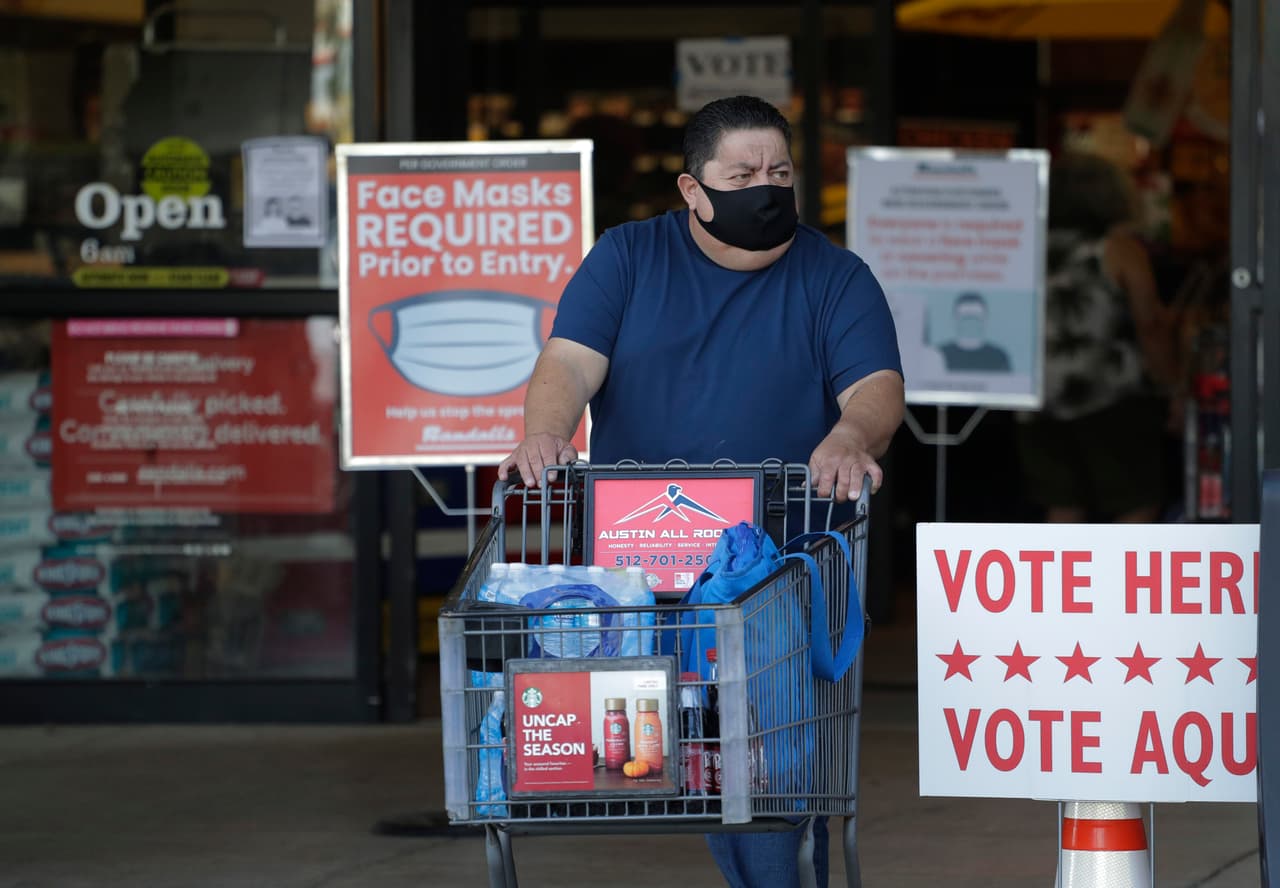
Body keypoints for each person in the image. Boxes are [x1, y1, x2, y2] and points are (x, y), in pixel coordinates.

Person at [499, 95, 904, 887]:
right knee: (677, 748)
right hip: (643, 565)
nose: (767, 187)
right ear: (692, 190)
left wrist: (851, 436)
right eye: (743, 173)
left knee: (766, 755)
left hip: (775, 565)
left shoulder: (834, 276)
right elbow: (571, 363)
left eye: (780, 172)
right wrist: (546, 429)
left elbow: (877, 387)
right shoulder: (627, 258)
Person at [1015, 151, 1177, 523]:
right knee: (1136, 502)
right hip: (1111, 395)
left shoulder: (1023, 246)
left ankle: (1060, 582)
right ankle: (1121, 582)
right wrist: (1172, 386)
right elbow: (1150, 324)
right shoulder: (1118, 248)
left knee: (1063, 505)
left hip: (1039, 396)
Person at [937, 292, 1012, 372]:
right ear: (954, 319)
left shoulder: (999, 357)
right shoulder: (938, 355)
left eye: (975, 318)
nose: (970, 323)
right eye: (965, 318)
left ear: (986, 320)